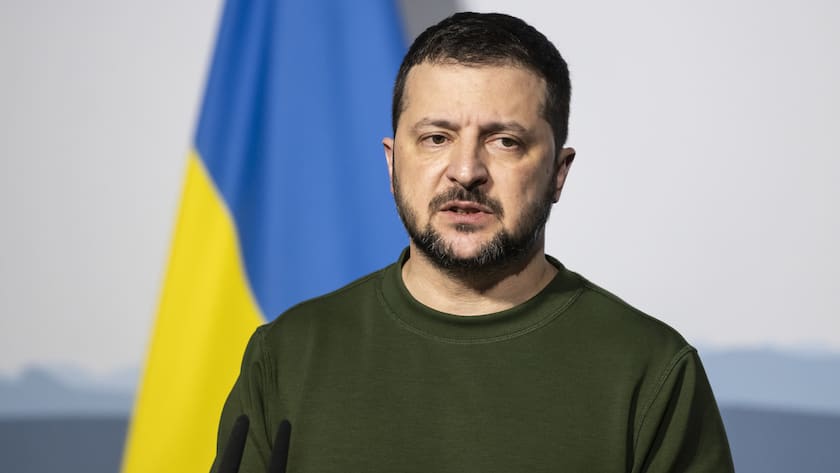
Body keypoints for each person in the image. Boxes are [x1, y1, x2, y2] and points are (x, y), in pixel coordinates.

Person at [210, 12, 734, 472]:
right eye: (436, 138)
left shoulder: (651, 369)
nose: (465, 171)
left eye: (505, 141)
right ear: (392, 163)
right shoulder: (287, 355)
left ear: (558, 171)